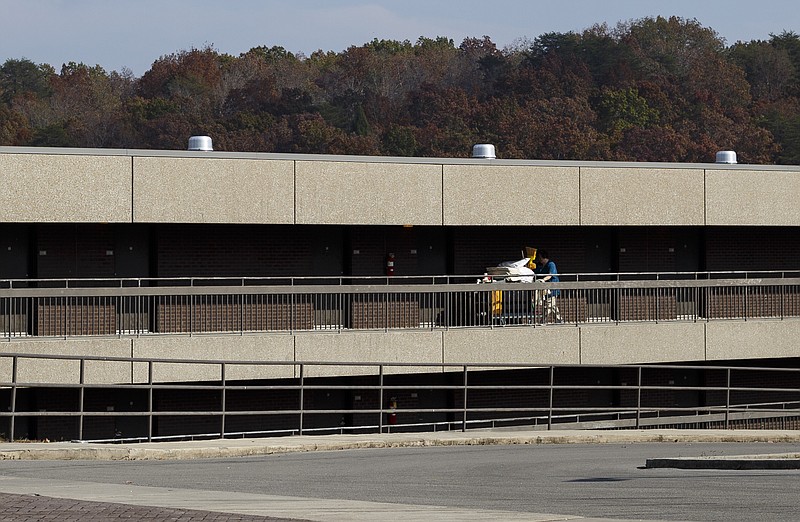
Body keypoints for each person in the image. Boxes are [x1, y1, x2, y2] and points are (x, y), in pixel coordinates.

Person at [534, 249, 563, 323]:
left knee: (549, 305)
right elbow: (535, 272)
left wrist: (543, 279)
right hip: (545, 289)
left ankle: (542, 321)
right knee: (552, 305)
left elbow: (550, 274)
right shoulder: (541, 266)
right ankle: (559, 320)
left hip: (552, 288)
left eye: (539, 257)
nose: (538, 259)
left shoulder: (551, 264)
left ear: (542, 256)